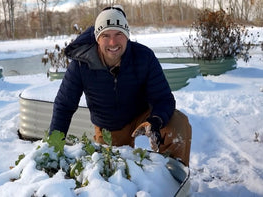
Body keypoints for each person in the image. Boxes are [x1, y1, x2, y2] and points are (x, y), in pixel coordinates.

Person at [49, 5, 192, 166]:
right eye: (106, 35)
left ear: (127, 35)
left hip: (141, 116)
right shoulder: (81, 64)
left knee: (178, 123)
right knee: (113, 167)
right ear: (97, 38)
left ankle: (175, 175)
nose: (113, 42)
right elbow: (64, 106)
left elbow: (163, 98)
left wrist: (156, 121)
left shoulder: (144, 57)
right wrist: (54, 147)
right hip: (108, 126)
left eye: (119, 34)